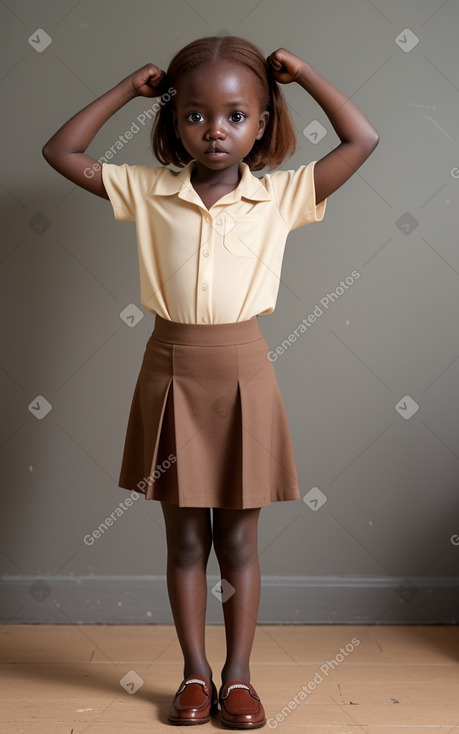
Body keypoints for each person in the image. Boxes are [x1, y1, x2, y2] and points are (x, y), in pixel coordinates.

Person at [42, 35, 379, 729]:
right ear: (171, 122)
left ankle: (240, 679)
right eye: (194, 115)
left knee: (240, 542)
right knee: (186, 540)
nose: (214, 130)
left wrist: (304, 72)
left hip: (244, 373)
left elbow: (360, 137)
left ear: (261, 122)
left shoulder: (282, 196)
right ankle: (195, 675)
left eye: (234, 115)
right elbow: (62, 152)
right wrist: (126, 89)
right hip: (169, 371)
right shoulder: (146, 188)